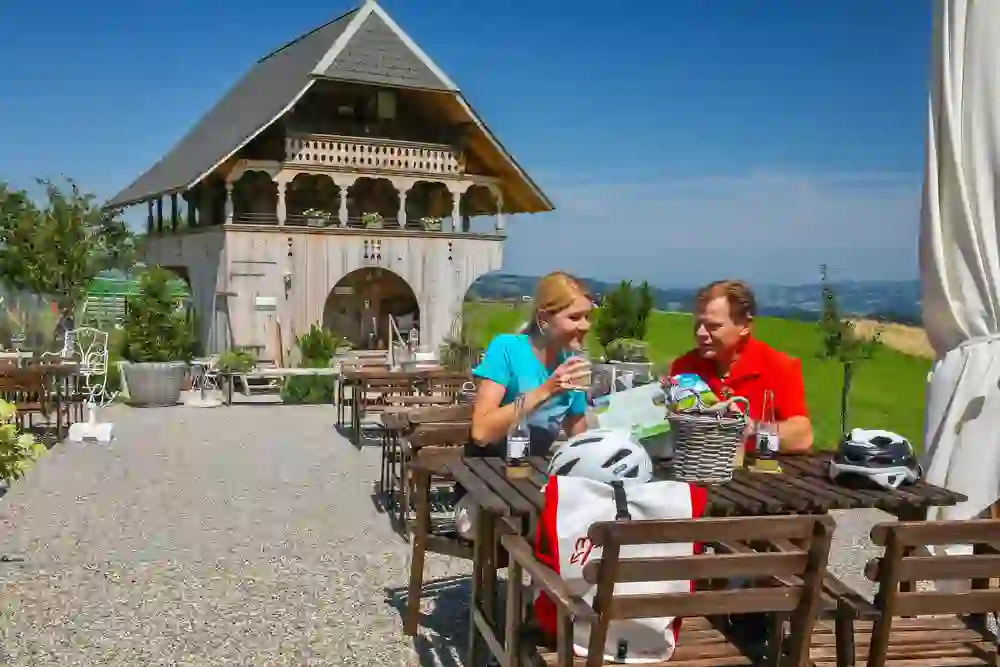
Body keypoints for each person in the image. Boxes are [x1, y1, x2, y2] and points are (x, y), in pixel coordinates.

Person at [669, 279, 813, 453]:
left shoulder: (778, 366)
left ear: (744, 326)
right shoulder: (684, 367)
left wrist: (753, 430)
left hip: (757, 469)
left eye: (713, 326)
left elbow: (802, 437)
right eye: (698, 324)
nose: (700, 333)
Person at [469, 271, 593, 455]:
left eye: (587, 317)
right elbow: (481, 433)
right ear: (544, 320)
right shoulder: (507, 349)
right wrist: (547, 390)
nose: (586, 326)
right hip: (488, 467)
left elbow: (578, 436)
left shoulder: (571, 364)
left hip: (535, 468)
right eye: (574, 318)